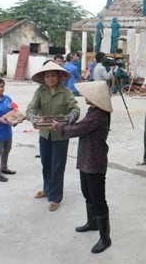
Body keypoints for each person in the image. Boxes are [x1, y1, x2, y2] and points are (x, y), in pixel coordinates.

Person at [50, 81, 113, 254]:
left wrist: (60, 126)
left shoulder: (98, 114)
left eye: (87, 95)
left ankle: (105, 238)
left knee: (98, 198)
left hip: (95, 160)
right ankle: (92, 223)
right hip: (86, 157)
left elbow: (77, 129)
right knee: (87, 193)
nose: (84, 97)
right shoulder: (94, 110)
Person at [26, 61, 80, 212]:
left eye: (52, 76)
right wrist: (33, 118)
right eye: (47, 76)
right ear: (43, 78)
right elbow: (31, 108)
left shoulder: (66, 92)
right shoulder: (40, 92)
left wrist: (69, 118)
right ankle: (47, 189)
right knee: (46, 164)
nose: (50, 79)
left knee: (57, 166)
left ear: (59, 77)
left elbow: (75, 108)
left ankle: (55, 197)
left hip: (60, 135)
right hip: (44, 134)